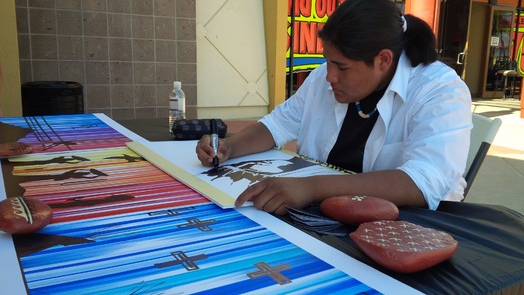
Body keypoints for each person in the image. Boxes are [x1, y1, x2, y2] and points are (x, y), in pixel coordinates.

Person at [196, 0, 472, 215]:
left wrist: (312, 187)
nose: (330, 76)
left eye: (342, 66)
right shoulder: (322, 79)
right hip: (325, 214)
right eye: (328, 61)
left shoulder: (439, 90)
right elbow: (277, 125)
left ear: (383, 61)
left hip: (408, 226)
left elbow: (422, 183)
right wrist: (229, 147)